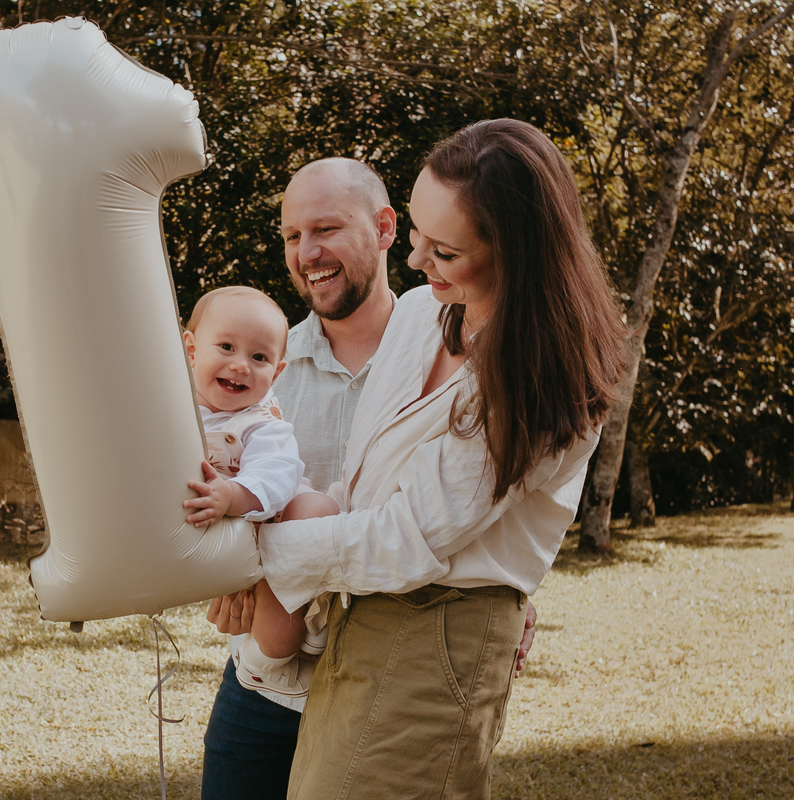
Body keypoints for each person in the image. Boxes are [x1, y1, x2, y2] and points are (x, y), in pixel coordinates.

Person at [252, 119, 627, 799]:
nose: (419, 261)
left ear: (517, 254)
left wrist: (259, 556)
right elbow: (364, 488)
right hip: (361, 616)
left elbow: (409, 537)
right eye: (419, 235)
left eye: (445, 251)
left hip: (440, 633)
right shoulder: (424, 311)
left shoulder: (541, 380)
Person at [200, 156, 541, 800]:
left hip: (383, 669)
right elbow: (210, 503)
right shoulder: (256, 373)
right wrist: (226, 571)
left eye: (324, 229)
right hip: (268, 674)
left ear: (386, 228)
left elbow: (471, 506)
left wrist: (507, 594)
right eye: (292, 236)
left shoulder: (444, 339)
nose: (306, 253)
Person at [181, 286, 339, 697]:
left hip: (271, 520)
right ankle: (271, 656)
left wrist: (233, 496)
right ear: (191, 348)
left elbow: (276, 473)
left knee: (319, 507)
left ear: (277, 372)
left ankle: (269, 656)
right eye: (227, 347)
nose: (240, 366)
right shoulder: (172, 411)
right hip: (223, 541)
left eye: (258, 357)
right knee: (274, 625)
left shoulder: (262, 422)